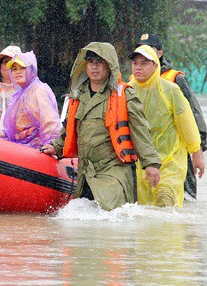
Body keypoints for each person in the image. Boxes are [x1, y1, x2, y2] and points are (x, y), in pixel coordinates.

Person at [42, 42, 161, 211]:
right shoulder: (77, 95)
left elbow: (140, 132)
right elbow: (69, 129)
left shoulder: (124, 94)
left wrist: (151, 164)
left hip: (114, 170)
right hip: (86, 172)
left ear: (109, 65)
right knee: (80, 220)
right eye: (91, 62)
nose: (94, 67)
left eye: (100, 62)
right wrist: (56, 147)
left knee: (112, 218)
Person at [129, 44, 204, 207]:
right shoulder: (128, 91)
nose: (138, 68)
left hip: (170, 161)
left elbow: (187, 124)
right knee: (145, 209)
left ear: (155, 65)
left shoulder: (170, 90)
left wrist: (196, 153)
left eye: (144, 63)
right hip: (141, 164)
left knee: (166, 200)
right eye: (135, 64)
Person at [0, 50, 61, 148]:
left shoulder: (39, 90)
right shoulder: (20, 94)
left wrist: (52, 145)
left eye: (22, 68)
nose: (18, 72)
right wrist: (1, 134)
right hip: (22, 148)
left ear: (32, 70)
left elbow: (50, 123)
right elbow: (20, 129)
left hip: (38, 152)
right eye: (14, 69)